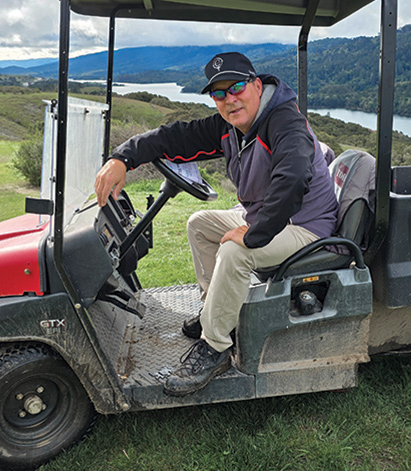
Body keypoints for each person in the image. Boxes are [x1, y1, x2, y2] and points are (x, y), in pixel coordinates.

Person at [94, 52, 339, 396]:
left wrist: (254, 233)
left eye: (236, 87)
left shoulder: (285, 121)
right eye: (219, 93)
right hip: (268, 217)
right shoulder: (232, 126)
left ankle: (216, 346)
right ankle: (216, 313)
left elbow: (293, 179)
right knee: (200, 224)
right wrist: (124, 156)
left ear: (256, 85)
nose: (229, 99)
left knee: (235, 251)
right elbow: (175, 137)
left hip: (305, 225)